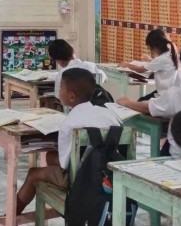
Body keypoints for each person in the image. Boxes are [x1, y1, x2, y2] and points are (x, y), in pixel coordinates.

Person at [15, 68, 120, 215]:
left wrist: (52, 156)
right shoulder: (110, 114)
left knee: (34, 173)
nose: (58, 92)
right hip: (109, 173)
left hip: (81, 179)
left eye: (61, 88)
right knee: (51, 157)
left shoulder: (70, 122)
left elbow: (65, 164)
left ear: (71, 97)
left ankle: (12, 215)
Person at [119, 29, 181, 97]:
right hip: (176, 92)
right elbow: (162, 63)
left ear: (155, 47)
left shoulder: (162, 58)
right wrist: (150, 60)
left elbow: (140, 69)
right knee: (144, 99)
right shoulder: (172, 53)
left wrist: (127, 65)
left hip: (167, 94)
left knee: (140, 101)